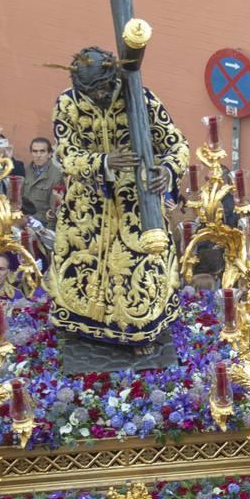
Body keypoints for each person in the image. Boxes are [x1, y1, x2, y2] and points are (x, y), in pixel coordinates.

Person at [46, 48, 188, 348]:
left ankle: (140, 327)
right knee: (82, 273)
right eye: (89, 91)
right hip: (88, 206)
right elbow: (66, 154)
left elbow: (176, 144)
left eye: (101, 89)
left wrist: (168, 169)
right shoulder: (67, 103)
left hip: (136, 206)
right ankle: (84, 328)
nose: (96, 96)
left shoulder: (142, 99)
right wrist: (105, 162)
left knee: (140, 272)